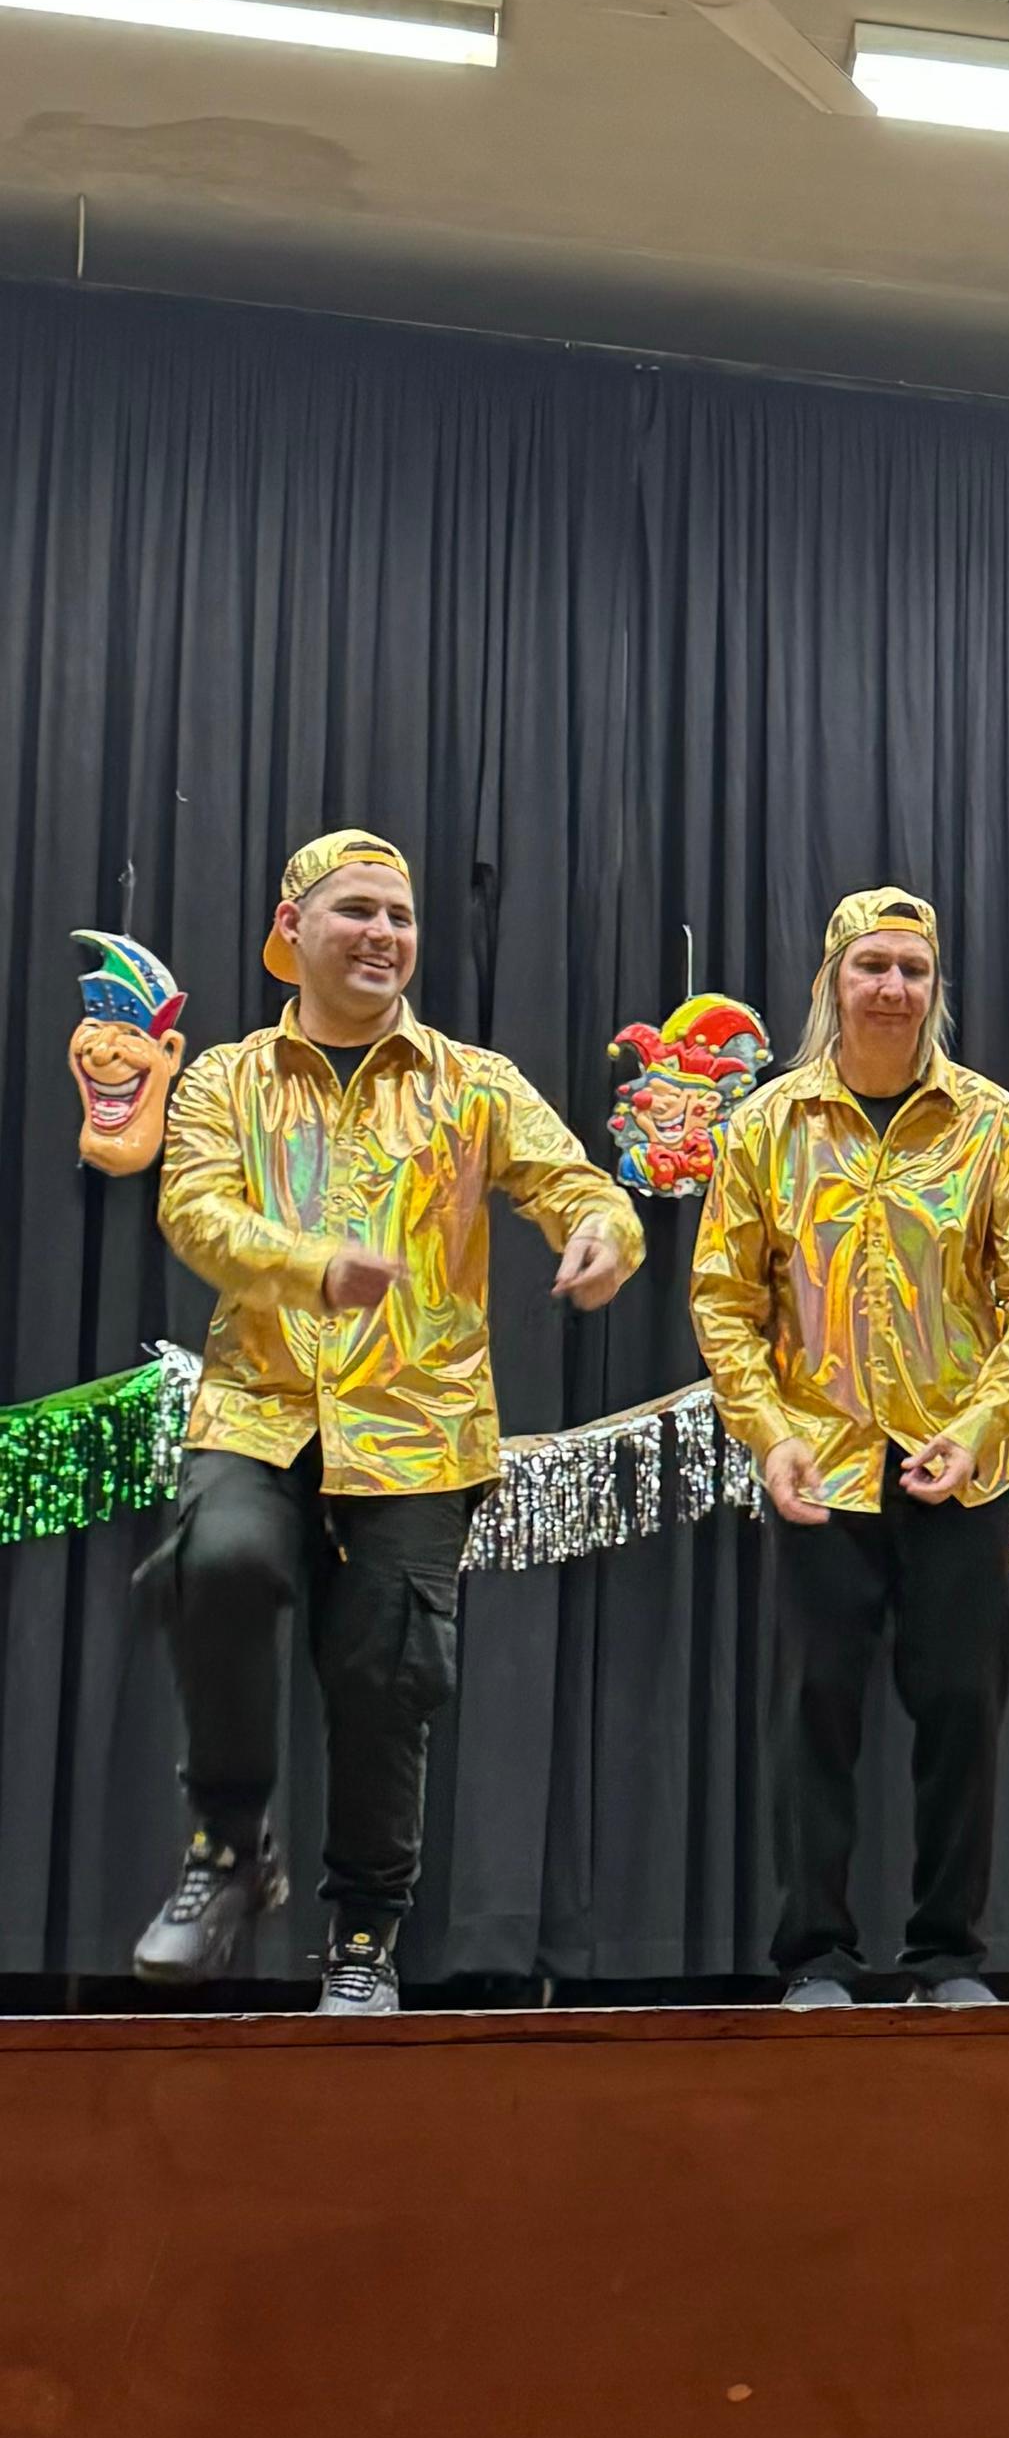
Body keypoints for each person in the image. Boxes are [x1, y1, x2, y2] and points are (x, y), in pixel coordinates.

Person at [136, 827, 639, 2010]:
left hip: (418, 1420)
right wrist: (310, 1265)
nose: (382, 933)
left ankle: (364, 1935)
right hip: (261, 1404)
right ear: (292, 927)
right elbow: (194, 1210)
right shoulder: (227, 1077)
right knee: (221, 1557)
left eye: (400, 916)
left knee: (386, 1679)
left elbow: (577, 1183)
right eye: (356, 909)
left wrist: (603, 1234)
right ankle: (228, 1847)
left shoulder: (474, 1082)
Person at [691, 886, 1009, 2009]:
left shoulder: (990, 1122)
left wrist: (981, 1425)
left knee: (961, 1708)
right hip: (820, 1468)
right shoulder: (768, 1125)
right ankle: (815, 1952)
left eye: (913, 969)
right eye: (873, 967)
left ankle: (947, 1953)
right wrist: (769, 1434)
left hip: (957, 1468)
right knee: (815, 1709)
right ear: (832, 984)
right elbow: (724, 1299)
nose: (893, 988)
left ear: (935, 988)